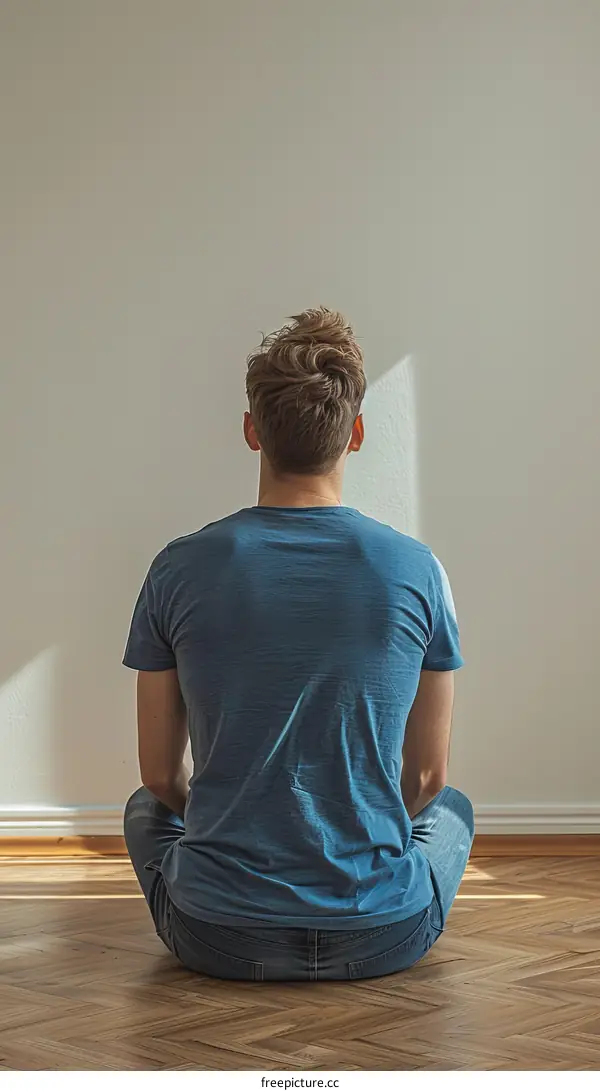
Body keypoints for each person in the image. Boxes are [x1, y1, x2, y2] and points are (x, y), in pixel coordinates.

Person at [123, 307, 474, 982]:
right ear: (357, 433)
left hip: (218, 937)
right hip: (383, 935)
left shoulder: (178, 567)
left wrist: (236, 829)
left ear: (252, 431)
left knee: (144, 810)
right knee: (452, 808)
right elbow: (428, 779)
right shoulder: (418, 570)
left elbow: (160, 778)